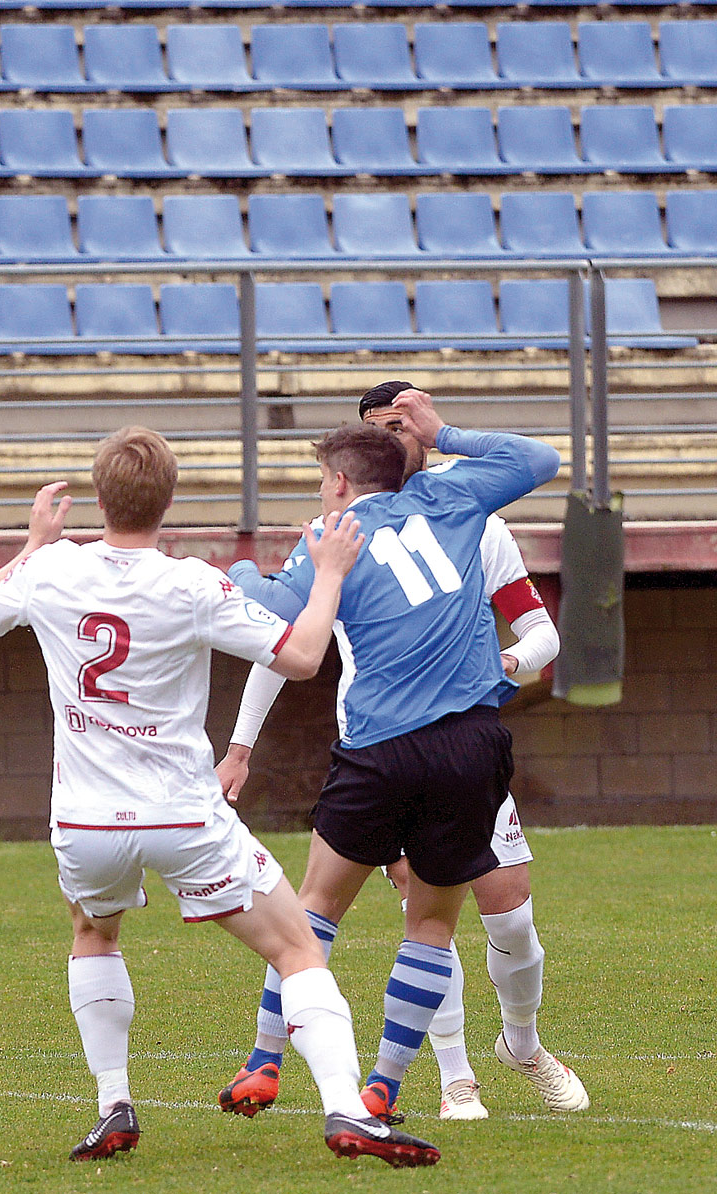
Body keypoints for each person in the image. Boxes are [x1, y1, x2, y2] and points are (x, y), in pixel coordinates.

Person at [0, 427, 438, 1167]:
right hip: (181, 815)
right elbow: (304, 656)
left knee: (95, 935)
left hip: (85, 821)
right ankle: (348, 1111)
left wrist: (32, 542)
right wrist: (331, 572)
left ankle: (114, 1104)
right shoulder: (192, 582)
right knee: (297, 947)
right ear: (168, 500)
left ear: (101, 495)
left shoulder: (49, 569)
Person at [218, 382, 582, 1123]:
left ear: (346, 478)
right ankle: (420, 1080)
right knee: (431, 921)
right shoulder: (464, 501)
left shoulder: (339, 532)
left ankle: (269, 1060)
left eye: (405, 422)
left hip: (385, 746)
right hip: (469, 747)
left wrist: (240, 574)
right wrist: (453, 432)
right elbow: (540, 456)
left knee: (323, 910)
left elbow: (268, 625)